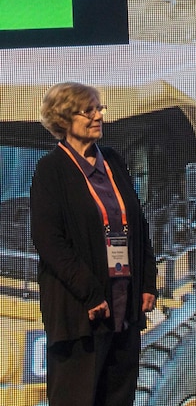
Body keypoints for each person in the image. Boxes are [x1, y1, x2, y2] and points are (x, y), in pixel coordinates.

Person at [29, 82, 157, 406]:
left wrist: (148, 283)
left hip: (123, 308)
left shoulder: (113, 160)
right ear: (63, 117)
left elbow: (138, 226)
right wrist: (90, 292)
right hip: (81, 313)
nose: (99, 115)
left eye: (99, 108)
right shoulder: (51, 169)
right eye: (89, 110)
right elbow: (49, 241)